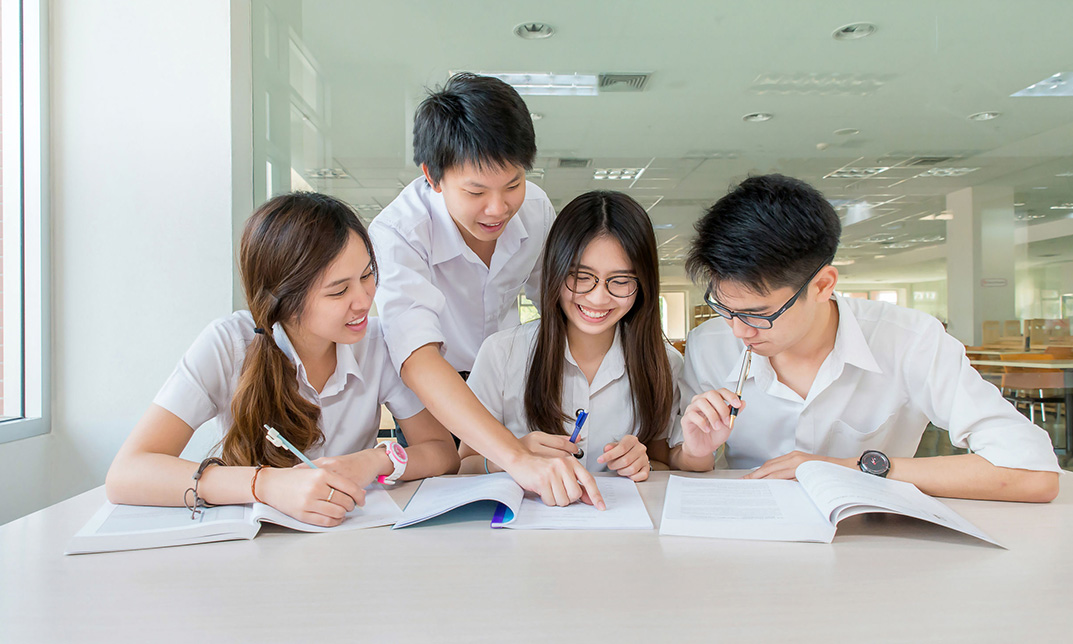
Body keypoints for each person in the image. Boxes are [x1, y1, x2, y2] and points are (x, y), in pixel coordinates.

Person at [669, 173, 1060, 502]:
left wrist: (852, 470)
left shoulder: (910, 340)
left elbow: (1033, 472)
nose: (739, 330)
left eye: (760, 314)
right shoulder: (711, 344)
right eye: (725, 307)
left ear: (822, 285)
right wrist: (696, 452)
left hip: (874, 537)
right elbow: (680, 464)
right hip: (752, 533)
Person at [106, 192, 460, 527]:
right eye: (339, 290)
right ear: (283, 298)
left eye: (368, 275)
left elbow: (442, 453)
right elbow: (127, 474)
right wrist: (268, 485)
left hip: (348, 541)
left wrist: (374, 460)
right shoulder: (228, 344)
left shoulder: (378, 342)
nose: (364, 300)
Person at [370, 73, 604, 508]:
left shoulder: (535, 211)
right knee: (443, 504)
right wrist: (513, 455)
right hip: (439, 389)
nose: (499, 209)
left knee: (526, 503)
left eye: (513, 184)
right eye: (476, 191)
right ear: (432, 177)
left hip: (507, 381)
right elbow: (417, 358)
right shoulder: (398, 233)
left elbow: (558, 304)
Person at [460, 191, 682, 480]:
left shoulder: (664, 363)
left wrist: (644, 464)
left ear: (643, 284)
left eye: (621, 280)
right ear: (556, 270)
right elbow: (464, 465)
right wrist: (515, 454)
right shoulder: (501, 353)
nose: (599, 298)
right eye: (580, 276)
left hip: (618, 521)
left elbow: (662, 463)